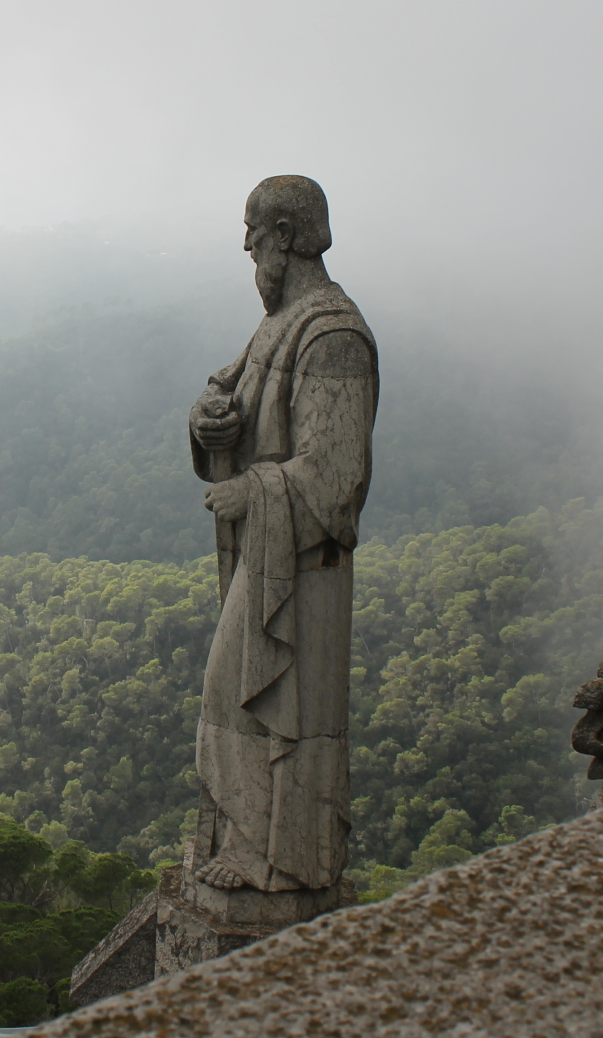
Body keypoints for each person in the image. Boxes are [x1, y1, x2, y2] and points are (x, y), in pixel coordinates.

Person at [186, 174, 377, 897]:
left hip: (302, 574)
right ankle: (247, 844)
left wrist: (252, 489)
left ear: (287, 235)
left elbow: (336, 477)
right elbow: (231, 402)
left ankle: (283, 860)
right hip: (268, 561)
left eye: (254, 231)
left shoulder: (333, 336)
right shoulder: (277, 325)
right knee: (231, 702)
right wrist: (210, 425)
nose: (246, 244)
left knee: (251, 703)